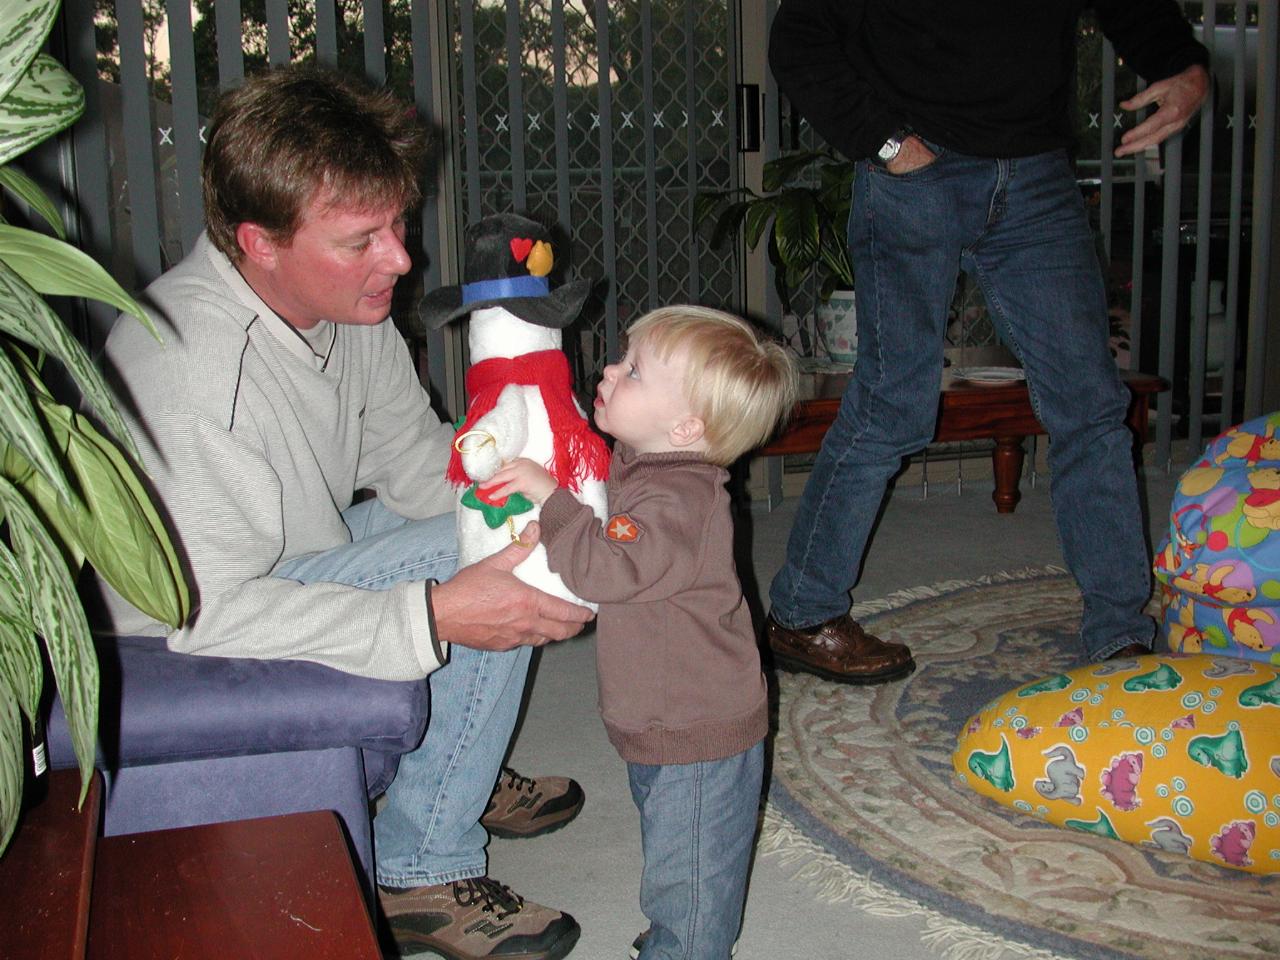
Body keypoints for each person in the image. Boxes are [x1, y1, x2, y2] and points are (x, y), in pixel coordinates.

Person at [97, 65, 592, 960]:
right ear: (260, 241)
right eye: (362, 238)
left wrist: (564, 498)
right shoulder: (187, 369)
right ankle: (420, 868)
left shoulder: (351, 314)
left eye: (398, 225)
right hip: (176, 627)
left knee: (503, 528)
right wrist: (435, 613)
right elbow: (194, 611)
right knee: (479, 565)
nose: (402, 260)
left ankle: (449, 766)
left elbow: (416, 471)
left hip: (284, 564)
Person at [764, 0, 1211, 682]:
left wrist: (1183, 66)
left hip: (1035, 176)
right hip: (914, 176)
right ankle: (803, 614)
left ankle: (1121, 634)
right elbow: (800, 39)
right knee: (892, 405)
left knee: (1091, 404)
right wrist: (887, 144)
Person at [482, 306, 798, 959]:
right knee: (675, 848)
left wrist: (550, 497)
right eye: (622, 357)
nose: (610, 369)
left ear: (684, 427)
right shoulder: (647, 464)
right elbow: (603, 499)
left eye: (634, 371)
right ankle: (677, 928)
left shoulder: (677, 503)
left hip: (696, 731)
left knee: (692, 875)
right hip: (662, 720)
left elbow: (608, 567)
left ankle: (684, 946)